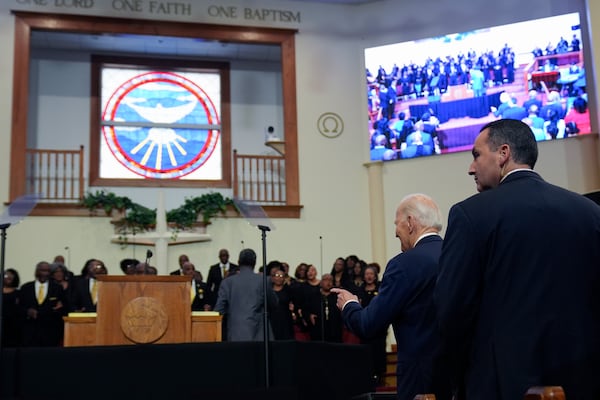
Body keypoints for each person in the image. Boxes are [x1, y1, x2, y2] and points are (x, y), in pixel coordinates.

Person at [434, 119, 600, 400]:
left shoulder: (470, 214)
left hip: (503, 382)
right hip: (584, 379)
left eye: (476, 155)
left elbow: (452, 309)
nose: (471, 168)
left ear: (503, 153)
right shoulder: (590, 212)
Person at [332, 193, 450, 400]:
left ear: (411, 222)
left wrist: (349, 305)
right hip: (459, 373)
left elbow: (369, 324)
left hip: (420, 378)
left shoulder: (404, 264)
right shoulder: (458, 254)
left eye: (397, 224)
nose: (396, 232)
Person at [214, 248, 277, 341]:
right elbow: (274, 303)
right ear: (254, 263)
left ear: (238, 262)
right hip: (259, 335)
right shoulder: (263, 280)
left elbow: (219, 310)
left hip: (235, 334)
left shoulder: (227, 282)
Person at [18, 261, 66, 346]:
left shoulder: (57, 288)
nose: (45, 273)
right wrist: (28, 311)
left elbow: (63, 307)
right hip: (30, 331)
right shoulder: (26, 287)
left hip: (50, 331)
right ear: (36, 272)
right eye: (42, 270)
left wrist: (59, 308)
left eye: (47, 271)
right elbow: (19, 307)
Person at [2, 268, 21, 347]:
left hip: (13, 326)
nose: (9, 277)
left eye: (11, 275)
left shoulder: (19, 293)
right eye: (6, 275)